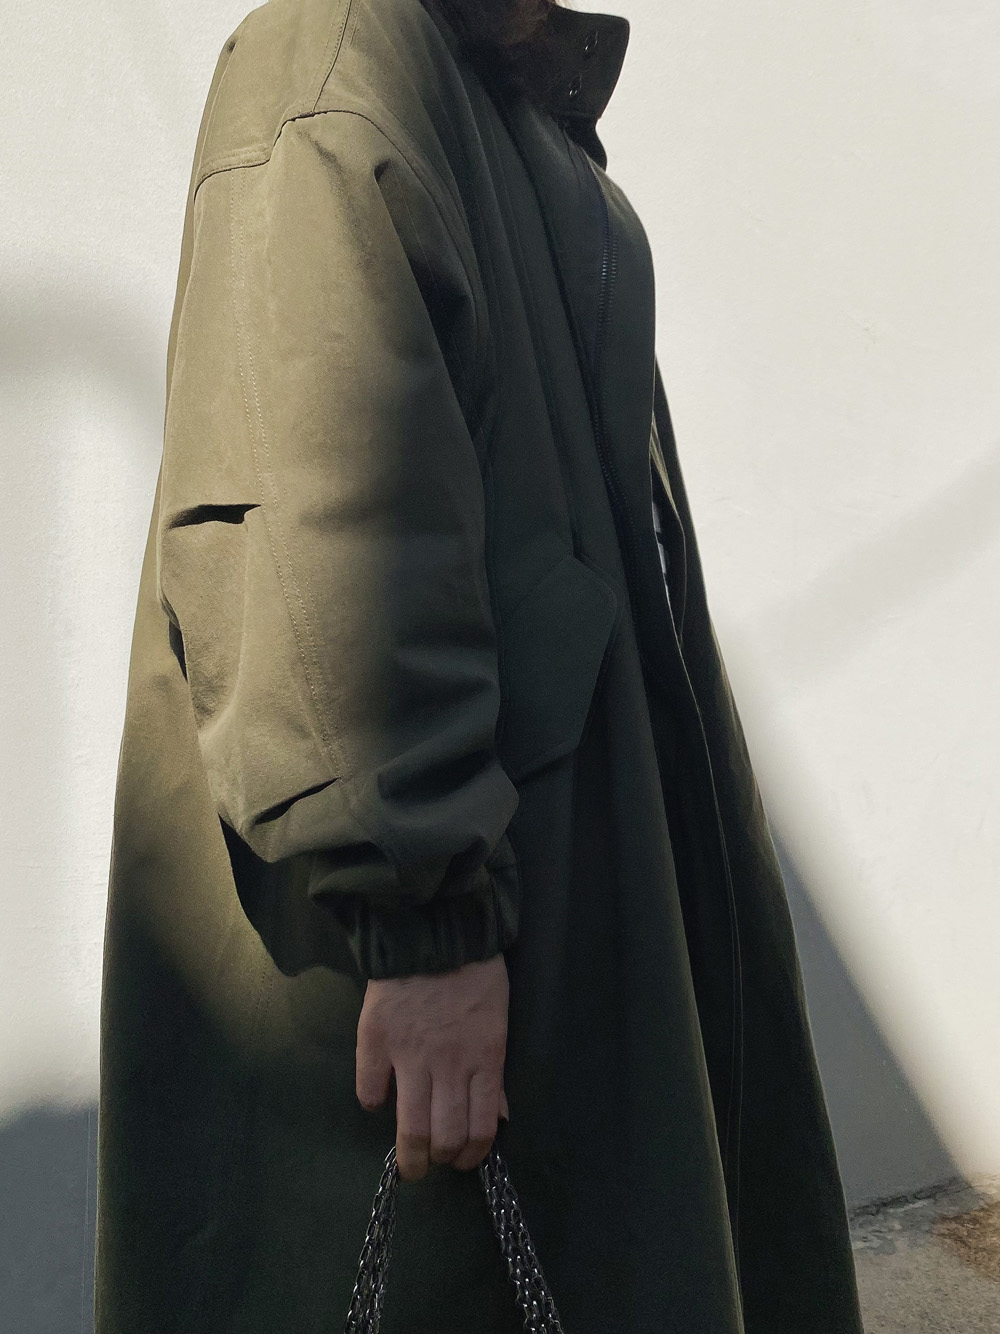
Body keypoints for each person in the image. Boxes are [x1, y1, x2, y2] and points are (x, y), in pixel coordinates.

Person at [95, 0, 865, 1330]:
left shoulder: (491, 85)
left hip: (553, 897)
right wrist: (428, 928)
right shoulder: (337, 66)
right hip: (431, 951)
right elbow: (315, 531)